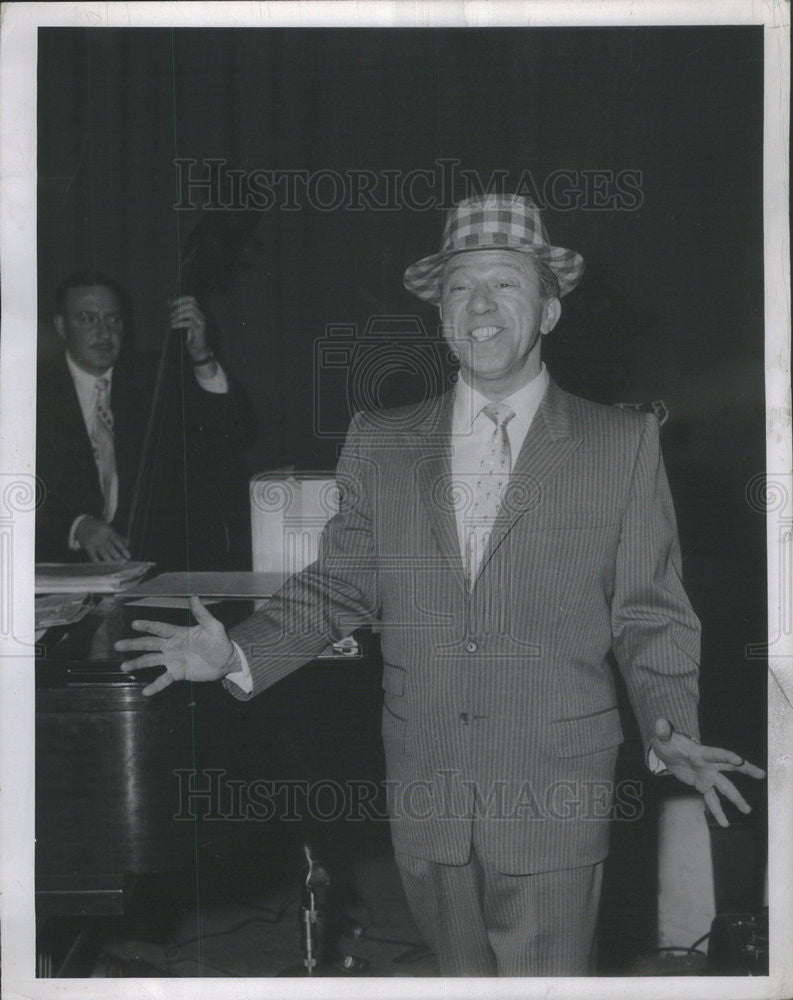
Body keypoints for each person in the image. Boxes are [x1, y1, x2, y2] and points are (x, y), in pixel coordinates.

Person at [116, 195, 764, 976]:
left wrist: (669, 724)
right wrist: (237, 654)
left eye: (505, 283)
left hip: (555, 790)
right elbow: (337, 587)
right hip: (426, 792)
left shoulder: (619, 444)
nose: (481, 305)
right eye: (460, 286)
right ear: (440, 313)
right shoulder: (381, 441)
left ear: (549, 311)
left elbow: (648, 613)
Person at [36, 270, 255, 569]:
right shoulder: (29, 391)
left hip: (151, 566)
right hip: (58, 570)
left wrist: (201, 355)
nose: (103, 333)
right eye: (87, 318)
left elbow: (234, 431)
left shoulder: (152, 377)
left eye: (114, 319)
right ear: (61, 327)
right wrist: (77, 526)